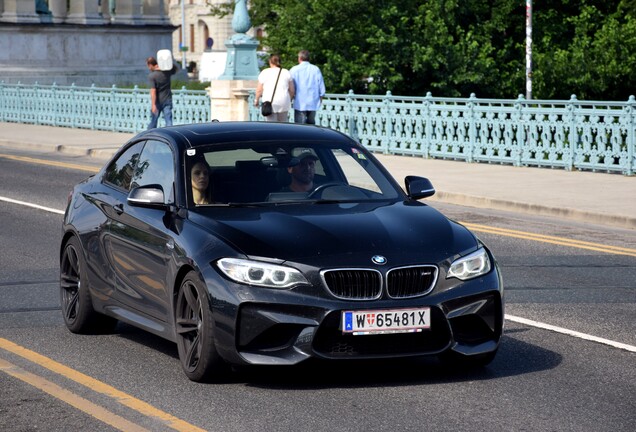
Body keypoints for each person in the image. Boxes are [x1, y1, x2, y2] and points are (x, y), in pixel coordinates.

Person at [254, 54, 295, 122]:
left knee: (271, 125)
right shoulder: (286, 72)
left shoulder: (265, 72)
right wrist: (289, 99)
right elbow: (292, 90)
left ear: (270, 62)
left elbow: (259, 90)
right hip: (283, 101)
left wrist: (256, 100)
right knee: (283, 124)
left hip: (269, 102)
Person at [289, 50, 326, 125]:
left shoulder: (294, 69)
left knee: (299, 126)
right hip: (313, 102)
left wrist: (290, 98)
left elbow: (290, 86)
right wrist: (320, 99)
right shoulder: (315, 69)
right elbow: (321, 86)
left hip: (299, 102)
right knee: (311, 125)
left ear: (299, 58)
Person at [146, 56, 178, 129]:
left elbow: (153, 91)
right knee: (169, 121)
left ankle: (150, 135)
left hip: (157, 102)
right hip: (167, 100)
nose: (148, 68)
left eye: (148, 66)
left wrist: (153, 104)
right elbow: (175, 69)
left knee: (154, 121)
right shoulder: (167, 73)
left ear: (150, 65)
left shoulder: (152, 76)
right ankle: (170, 135)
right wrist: (165, 65)